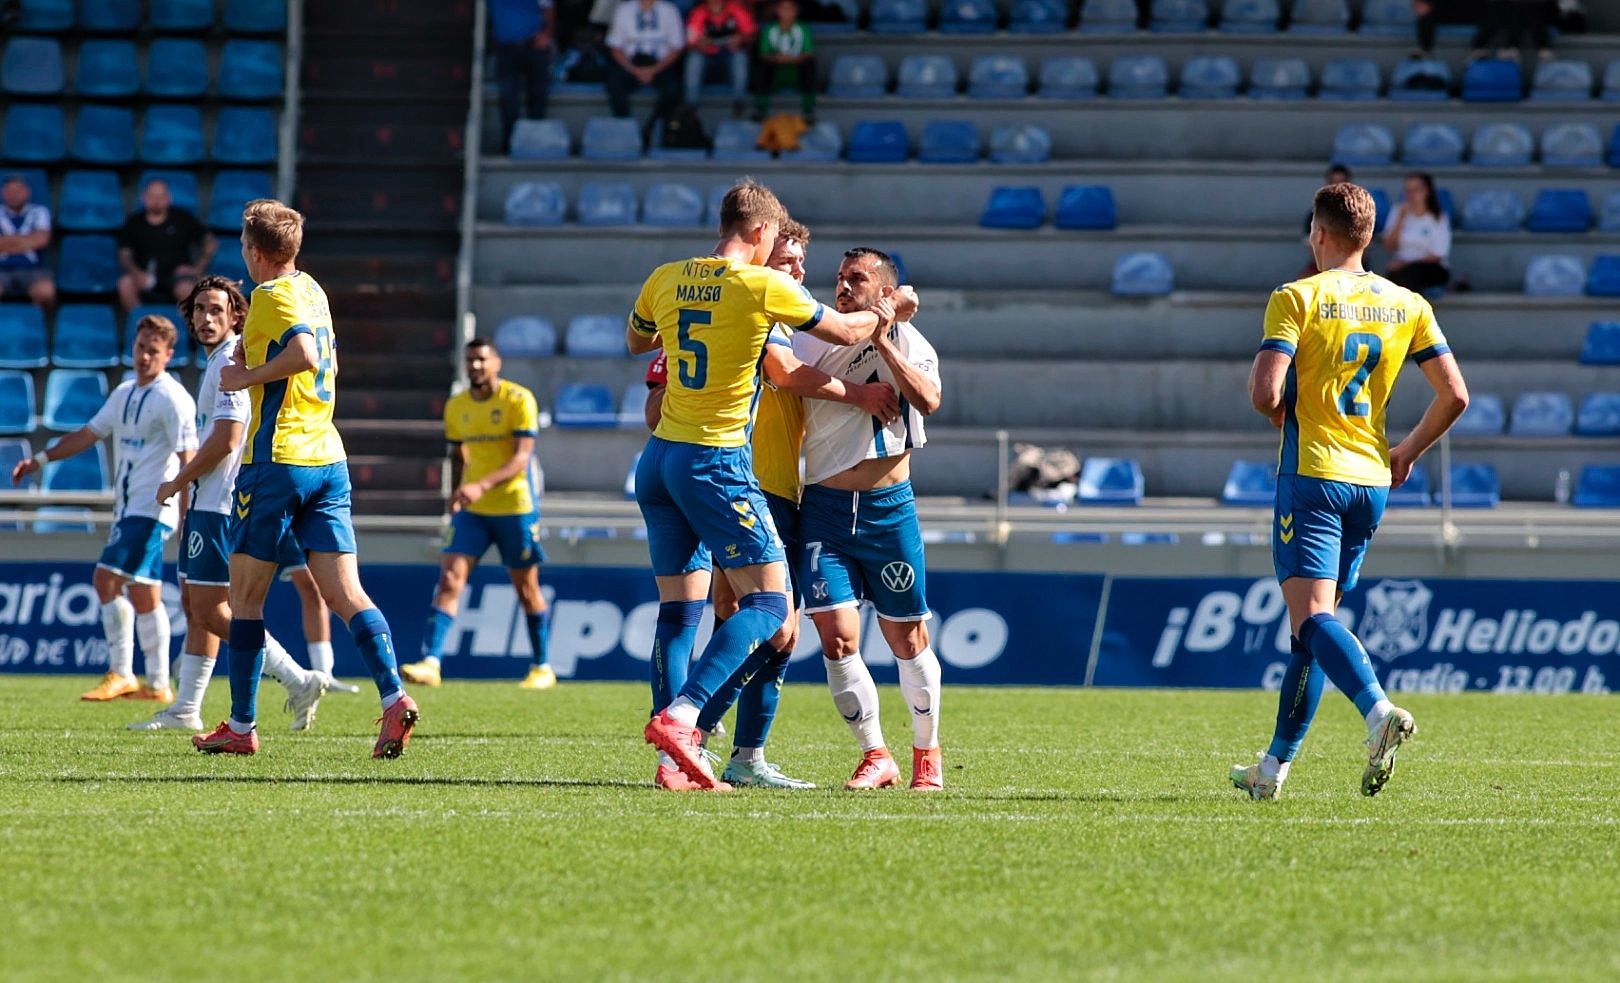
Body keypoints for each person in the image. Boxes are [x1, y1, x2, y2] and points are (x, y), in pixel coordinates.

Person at [629, 180, 897, 791]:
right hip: (718, 462)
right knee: (772, 607)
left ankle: (676, 764)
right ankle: (684, 720)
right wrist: (886, 312)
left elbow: (637, 339)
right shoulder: (760, 287)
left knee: (679, 613)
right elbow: (846, 336)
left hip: (661, 458)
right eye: (779, 239)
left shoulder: (666, 276)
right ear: (759, 233)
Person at [1232, 182, 1469, 801]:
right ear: (1366, 237)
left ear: (1319, 232)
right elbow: (1455, 395)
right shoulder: (1407, 304)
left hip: (1312, 475)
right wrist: (1408, 451)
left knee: (1311, 619)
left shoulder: (1297, 296)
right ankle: (1272, 768)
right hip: (1372, 480)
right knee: (1314, 626)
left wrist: (1293, 414)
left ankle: (1377, 710)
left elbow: (1264, 393)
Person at [192, 199, 418, 757]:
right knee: (346, 592)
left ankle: (241, 728)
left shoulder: (269, 295)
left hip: (277, 459)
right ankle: (393, 696)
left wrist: (245, 378)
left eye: (245, 245)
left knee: (245, 600)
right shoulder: (312, 289)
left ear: (256, 251)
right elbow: (318, 355)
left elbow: (304, 354)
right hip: (327, 457)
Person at [129, 276, 332, 732]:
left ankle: (298, 679)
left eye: (217, 310)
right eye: (200, 309)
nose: (206, 318)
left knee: (213, 610)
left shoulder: (231, 362)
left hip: (221, 503)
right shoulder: (221, 360)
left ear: (236, 316)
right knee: (200, 605)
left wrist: (176, 482)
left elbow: (228, 437)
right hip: (210, 500)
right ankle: (186, 708)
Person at [792, 247, 945, 791]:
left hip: (888, 511)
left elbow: (927, 400)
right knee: (835, 639)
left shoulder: (914, 344)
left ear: (883, 290)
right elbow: (786, 375)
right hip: (826, 510)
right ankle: (875, 754)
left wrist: (882, 337)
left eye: (856, 278)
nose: (843, 286)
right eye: (838, 277)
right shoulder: (813, 334)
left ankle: (927, 755)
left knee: (907, 639)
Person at [12, 316, 196, 703]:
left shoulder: (173, 398)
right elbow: (87, 434)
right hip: (128, 509)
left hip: (151, 510)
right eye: (140, 347)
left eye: (153, 350)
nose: (144, 356)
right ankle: (160, 685)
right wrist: (40, 459)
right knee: (144, 594)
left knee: (105, 579)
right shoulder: (125, 392)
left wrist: (185, 513)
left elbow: (188, 459)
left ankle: (122, 672)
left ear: (168, 355)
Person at [400, 338, 556, 690]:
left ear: (497, 363)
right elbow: (458, 455)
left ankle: (542, 666)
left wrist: (479, 486)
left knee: (526, 588)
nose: (475, 366)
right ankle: (431, 662)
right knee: (450, 579)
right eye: (470, 360)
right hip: (473, 510)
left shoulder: (518, 400)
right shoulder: (457, 406)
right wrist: (455, 494)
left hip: (515, 507)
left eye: (482, 360)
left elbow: (521, 459)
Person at [117, 178, 215, 315]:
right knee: (125, 284)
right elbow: (124, 255)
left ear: (169, 198)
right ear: (143, 198)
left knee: (188, 289)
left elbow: (210, 242)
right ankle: (142, 326)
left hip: (178, 276)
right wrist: (136, 273)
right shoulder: (134, 223)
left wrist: (197, 269)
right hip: (145, 276)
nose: (156, 200)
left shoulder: (183, 219)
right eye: (152, 196)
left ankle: (189, 333)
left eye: (161, 196)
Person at [491, 0, 555, 154]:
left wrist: (546, 34)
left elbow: (549, 11)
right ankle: (510, 144)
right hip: (506, 48)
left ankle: (534, 145)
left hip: (533, 46)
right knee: (508, 97)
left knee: (537, 95)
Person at [604, 0, 685, 123]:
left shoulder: (670, 10)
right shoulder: (624, 10)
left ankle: (653, 128)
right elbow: (615, 47)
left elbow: (677, 47)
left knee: (673, 89)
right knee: (614, 84)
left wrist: (653, 70)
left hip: (660, 64)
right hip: (631, 63)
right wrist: (634, 70)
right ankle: (627, 126)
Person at [1383, 172, 1452, 295]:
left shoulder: (1438, 218)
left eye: (1416, 190)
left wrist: (1405, 264)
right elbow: (1389, 246)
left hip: (1429, 268)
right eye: (1408, 190)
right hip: (1400, 268)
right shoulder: (1398, 211)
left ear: (1427, 191)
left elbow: (1437, 255)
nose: (1411, 195)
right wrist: (1400, 218)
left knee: (1407, 277)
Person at [684, 0, 755, 115]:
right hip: (707, 57)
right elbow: (690, 43)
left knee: (740, 58)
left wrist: (741, 38)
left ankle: (738, 102)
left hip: (729, 56)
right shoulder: (699, 12)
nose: (715, 2)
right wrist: (699, 44)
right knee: (694, 59)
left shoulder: (736, 9)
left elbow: (751, 34)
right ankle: (691, 105)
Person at [752, 0, 816, 122]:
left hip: (796, 72)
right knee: (762, 66)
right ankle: (760, 109)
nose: (786, 12)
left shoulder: (804, 28)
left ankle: (808, 111)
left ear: (796, 11)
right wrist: (777, 58)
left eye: (790, 8)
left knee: (809, 64)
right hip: (775, 73)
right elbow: (764, 53)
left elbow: (809, 52)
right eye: (783, 8)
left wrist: (793, 58)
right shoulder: (769, 29)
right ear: (777, 10)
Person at [0, 173, 55, 311]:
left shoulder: (40, 212)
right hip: (1, 269)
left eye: (18, 191)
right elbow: (34, 240)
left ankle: (39, 328)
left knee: (46, 292)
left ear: (27, 192)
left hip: (33, 270)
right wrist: (27, 240)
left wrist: (5, 243)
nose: (13, 195)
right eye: (9, 191)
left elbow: (42, 240)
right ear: (3, 193)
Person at [1298, 164, 1352, 278]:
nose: (1337, 189)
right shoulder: (1314, 216)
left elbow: (1364, 252)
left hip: (1352, 270)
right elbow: (1314, 252)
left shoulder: (1360, 214)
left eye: (1342, 184)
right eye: (1333, 184)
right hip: (1322, 270)